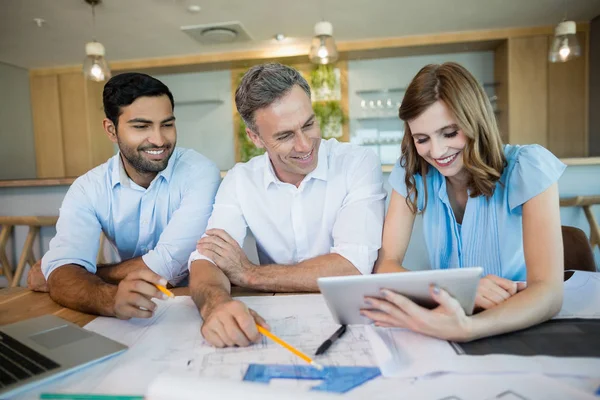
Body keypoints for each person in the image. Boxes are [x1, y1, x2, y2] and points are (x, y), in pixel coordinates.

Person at [362, 62, 565, 341]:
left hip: (518, 321)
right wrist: (457, 290)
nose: (437, 151)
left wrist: (468, 329)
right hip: (448, 319)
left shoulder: (528, 166)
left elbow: (549, 293)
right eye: (422, 139)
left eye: (449, 133)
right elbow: (385, 266)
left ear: (475, 121)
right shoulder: (413, 171)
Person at [188, 63, 386, 348]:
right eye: (285, 136)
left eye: (308, 125)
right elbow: (207, 259)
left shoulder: (358, 163)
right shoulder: (240, 180)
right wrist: (215, 306)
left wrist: (249, 274)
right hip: (275, 324)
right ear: (255, 138)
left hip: (351, 321)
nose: (305, 146)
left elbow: (352, 266)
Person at [27, 72, 221, 320]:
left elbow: (166, 267)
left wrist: (83, 273)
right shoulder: (88, 188)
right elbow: (63, 270)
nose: (159, 139)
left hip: (203, 303)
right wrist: (106, 297)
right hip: (134, 314)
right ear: (111, 129)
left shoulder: (199, 172)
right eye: (141, 126)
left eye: (167, 124)